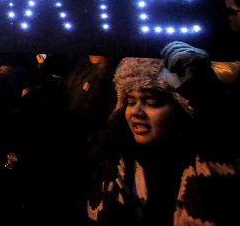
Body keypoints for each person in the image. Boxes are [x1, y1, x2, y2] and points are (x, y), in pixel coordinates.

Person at [86, 42, 240, 225]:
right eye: (130, 101)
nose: (136, 112)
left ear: (181, 109)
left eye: (151, 102)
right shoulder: (112, 163)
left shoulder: (215, 157)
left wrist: (204, 89)